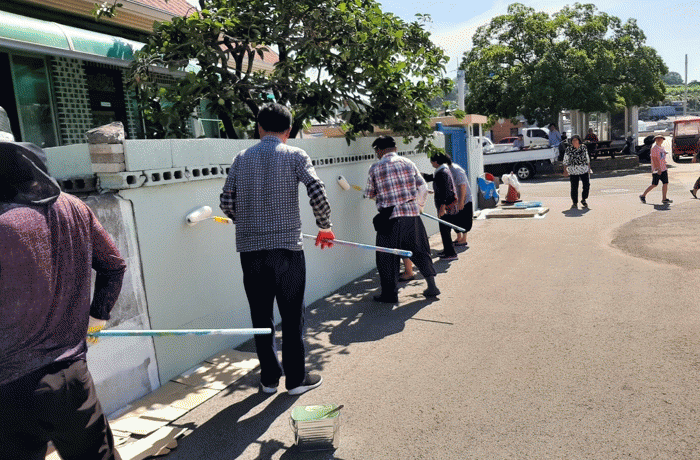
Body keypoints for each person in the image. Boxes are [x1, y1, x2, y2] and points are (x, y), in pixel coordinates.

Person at [0, 142, 127, 460]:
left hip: (8, 387)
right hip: (69, 377)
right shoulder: (74, 207)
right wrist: (97, 318)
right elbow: (113, 266)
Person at [220, 103, 335, 396]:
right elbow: (316, 190)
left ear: (259, 128)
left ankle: (269, 380)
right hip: (287, 250)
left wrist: (247, 222)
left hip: (250, 250)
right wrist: (324, 226)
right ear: (289, 130)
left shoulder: (241, 158)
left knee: (261, 318)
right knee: (292, 315)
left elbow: (227, 202)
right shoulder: (295, 155)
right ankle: (295, 380)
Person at [365, 135, 440, 303]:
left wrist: (380, 195)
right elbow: (423, 187)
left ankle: (389, 294)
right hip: (411, 216)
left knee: (387, 257)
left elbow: (370, 193)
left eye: (376, 151)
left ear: (379, 151)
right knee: (420, 250)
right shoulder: (408, 163)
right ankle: (432, 286)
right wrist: (419, 206)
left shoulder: (375, 168)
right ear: (396, 149)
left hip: (389, 219)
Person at [446, 157, 473, 247]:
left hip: (464, 199)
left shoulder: (457, 170)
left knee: (464, 219)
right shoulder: (448, 170)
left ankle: (464, 239)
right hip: (455, 199)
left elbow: (462, 186)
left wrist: (461, 201)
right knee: (455, 219)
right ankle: (458, 237)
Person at [639, 134, 672, 204]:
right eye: (658, 139)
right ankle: (643, 195)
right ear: (655, 140)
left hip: (663, 168)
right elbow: (654, 159)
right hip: (657, 169)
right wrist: (658, 168)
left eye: (661, 139)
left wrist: (664, 163)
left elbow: (662, 157)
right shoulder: (654, 148)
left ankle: (664, 198)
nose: (659, 140)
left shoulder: (662, 147)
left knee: (665, 183)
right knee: (654, 184)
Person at [562, 134, 591, 208]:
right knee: (574, 187)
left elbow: (587, 157)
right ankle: (574, 202)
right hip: (573, 170)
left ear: (579, 141)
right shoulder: (569, 149)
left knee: (586, 185)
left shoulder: (583, 147)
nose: (574, 142)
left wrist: (589, 168)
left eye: (576, 140)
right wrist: (565, 170)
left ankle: (584, 199)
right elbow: (565, 160)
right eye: (573, 140)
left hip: (583, 169)